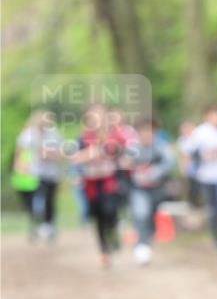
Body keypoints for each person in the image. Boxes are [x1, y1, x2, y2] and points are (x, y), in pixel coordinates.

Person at [73, 104, 124, 268]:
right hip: (91, 184)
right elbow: (75, 158)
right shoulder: (83, 138)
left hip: (109, 182)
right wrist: (90, 154)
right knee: (99, 218)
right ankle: (104, 253)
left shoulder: (114, 135)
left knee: (110, 212)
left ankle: (114, 233)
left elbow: (123, 153)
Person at [181, 104, 217, 246]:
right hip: (208, 176)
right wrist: (191, 166)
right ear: (206, 116)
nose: (216, 118)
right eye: (213, 114)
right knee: (213, 208)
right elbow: (188, 152)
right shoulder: (200, 132)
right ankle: (216, 237)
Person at [124, 118, 174, 265]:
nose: (147, 134)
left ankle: (147, 241)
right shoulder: (132, 149)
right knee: (141, 214)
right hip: (138, 189)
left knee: (151, 217)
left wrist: (153, 173)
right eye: (143, 131)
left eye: (150, 131)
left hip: (157, 190)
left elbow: (168, 164)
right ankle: (141, 245)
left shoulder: (161, 147)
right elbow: (124, 163)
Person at [14, 110, 62, 242]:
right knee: (38, 199)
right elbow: (20, 150)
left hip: (52, 173)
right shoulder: (29, 134)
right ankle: (38, 224)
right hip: (36, 173)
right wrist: (19, 164)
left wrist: (50, 155)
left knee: (50, 200)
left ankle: (49, 225)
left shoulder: (54, 134)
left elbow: (60, 153)